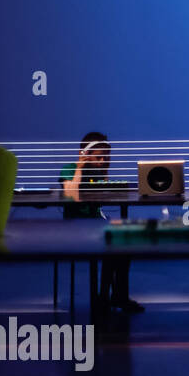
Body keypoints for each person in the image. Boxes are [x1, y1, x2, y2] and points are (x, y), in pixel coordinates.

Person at [59, 132, 143, 312]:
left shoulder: (97, 174)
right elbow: (71, 195)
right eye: (99, 156)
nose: (104, 160)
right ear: (84, 154)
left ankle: (116, 296)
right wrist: (80, 166)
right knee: (111, 242)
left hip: (96, 225)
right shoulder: (70, 168)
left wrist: (103, 172)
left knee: (124, 241)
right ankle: (105, 298)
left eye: (107, 156)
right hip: (76, 228)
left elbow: (106, 195)